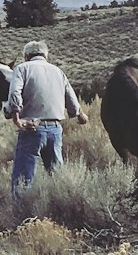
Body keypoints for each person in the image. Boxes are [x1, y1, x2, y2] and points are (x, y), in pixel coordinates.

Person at [5, 39, 88, 198]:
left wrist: (16, 118)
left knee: (23, 179)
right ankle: (61, 212)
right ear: (46, 55)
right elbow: (70, 95)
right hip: (55, 129)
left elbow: (15, 93)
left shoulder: (22, 68)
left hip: (31, 128)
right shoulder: (57, 71)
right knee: (58, 178)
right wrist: (79, 114)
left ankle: (22, 217)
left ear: (26, 55)